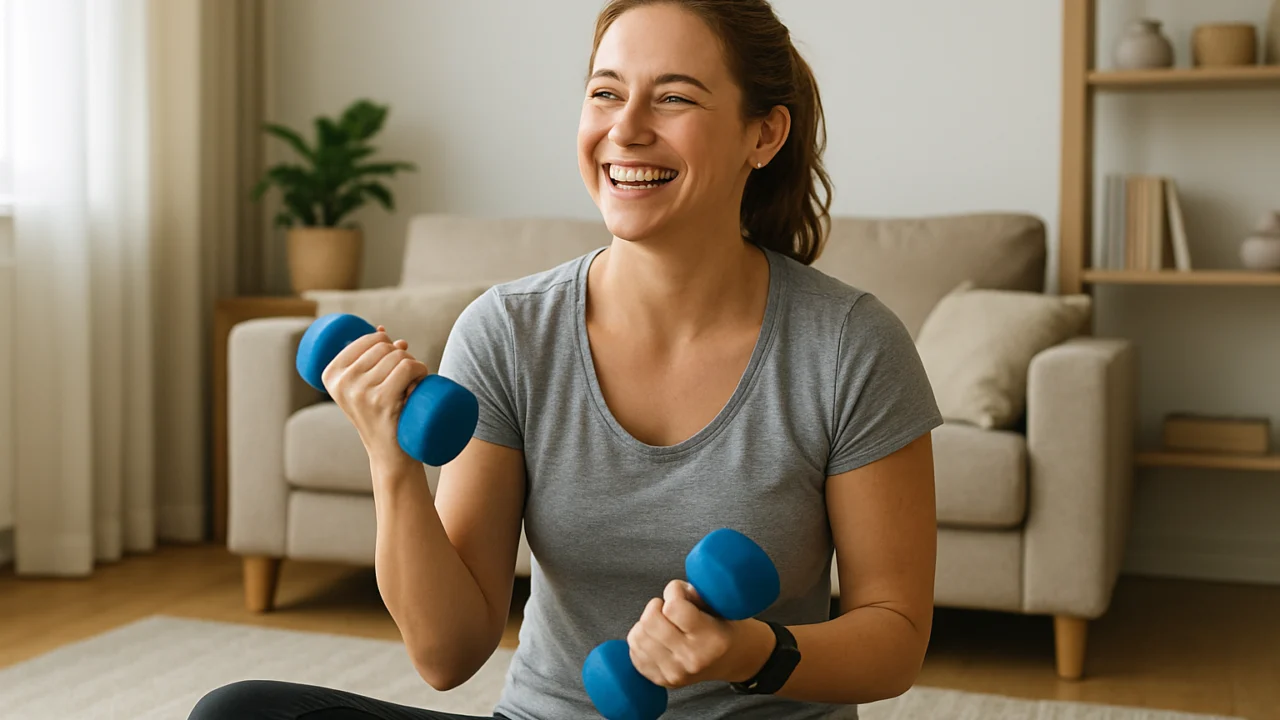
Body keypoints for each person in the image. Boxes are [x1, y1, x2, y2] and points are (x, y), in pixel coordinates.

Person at [189, 0, 941, 718]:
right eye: (606, 94)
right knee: (242, 713)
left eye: (673, 99)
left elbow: (895, 636)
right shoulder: (509, 333)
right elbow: (447, 654)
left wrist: (749, 651)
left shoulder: (849, 345)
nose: (627, 129)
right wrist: (391, 463)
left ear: (763, 135)